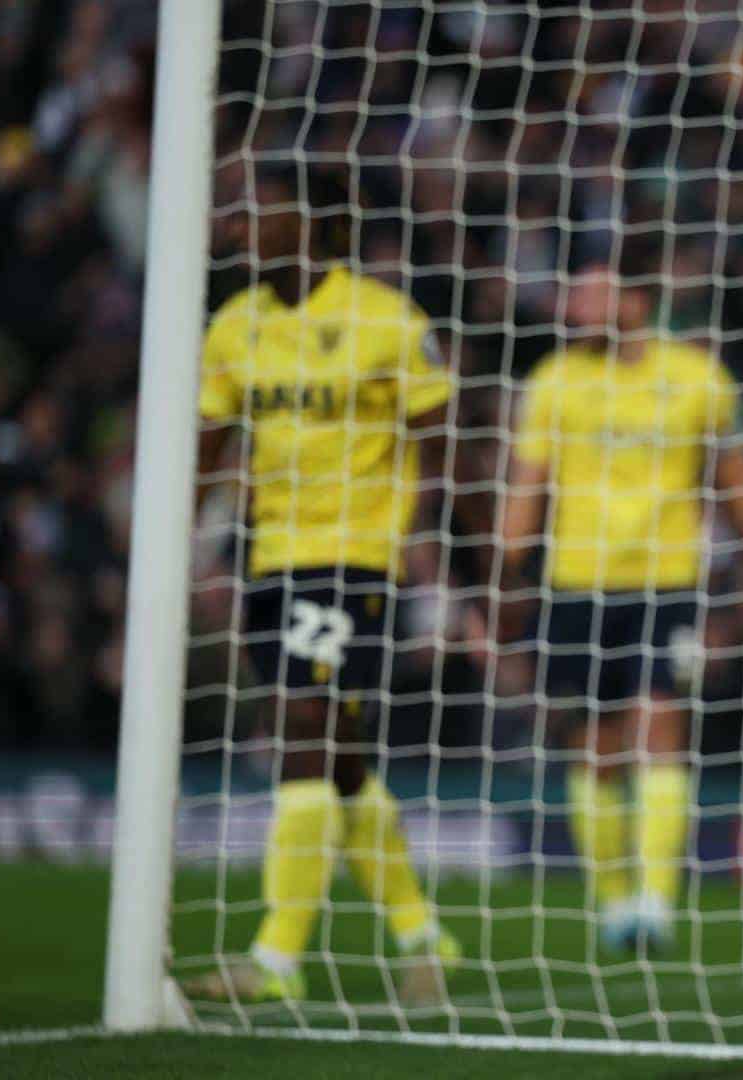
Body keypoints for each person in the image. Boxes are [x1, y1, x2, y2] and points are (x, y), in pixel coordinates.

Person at [184, 164, 460, 1004]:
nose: (241, 229)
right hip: (268, 558)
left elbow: (439, 430)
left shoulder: (383, 320)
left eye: (259, 214)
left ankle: (274, 959)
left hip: (353, 557)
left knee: (300, 730)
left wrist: (421, 539)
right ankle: (422, 934)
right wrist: (186, 544)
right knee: (335, 754)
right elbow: (214, 442)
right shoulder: (233, 327)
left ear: (312, 225)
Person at [499, 251, 743, 951]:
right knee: (593, 752)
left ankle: (655, 902)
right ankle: (615, 903)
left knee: (660, 732)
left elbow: (739, 489)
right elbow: (525, 495)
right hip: (574, 587)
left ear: (637, 300)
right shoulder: (553, 382)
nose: (575, 304)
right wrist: (505, 565)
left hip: (666, 584)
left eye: (590, 289)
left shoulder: (697, 378)